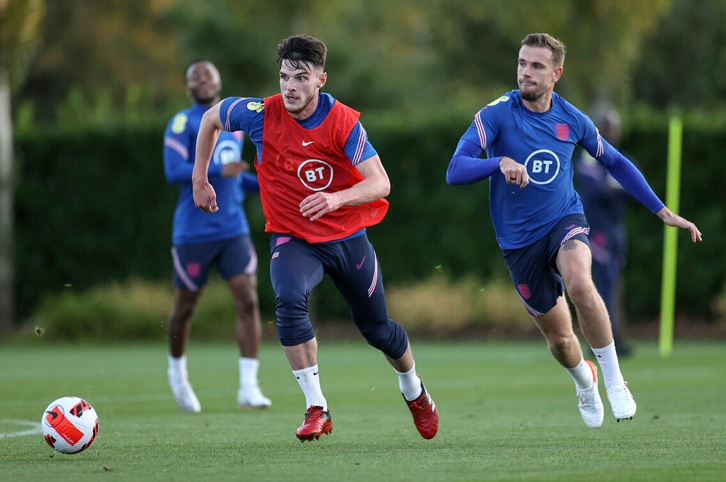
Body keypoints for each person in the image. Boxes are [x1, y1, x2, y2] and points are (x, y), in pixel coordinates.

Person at [446, 33, 702, 429]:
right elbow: (455, 169)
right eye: (521, 63)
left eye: (537, 66)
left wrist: (661, 209)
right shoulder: (496, 114)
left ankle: (616, 381)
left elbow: (615, 162)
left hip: (564, 220)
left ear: (556, 74)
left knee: (582, 284)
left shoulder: (573, 119)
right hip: (518, 243)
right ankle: (585, 379)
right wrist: (497, 164)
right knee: (562, 342)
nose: (525, 73)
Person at [191, 35, 438, 442]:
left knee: (378, 330)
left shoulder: (342, 122)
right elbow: (211, 119)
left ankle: (414, 391)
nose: (289, 86)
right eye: (285, 76)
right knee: (288, 299)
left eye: (300, 78)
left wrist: (336, 197)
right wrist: (200, 177)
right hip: (292, 236)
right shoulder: (260, 113)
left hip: (346, 237)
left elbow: (381, 182)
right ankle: (317, 406)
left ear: (321, 79)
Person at [163, 59, 270, 413]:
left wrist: (271, 185)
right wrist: (215, 169)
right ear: (188, 86)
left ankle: (249, 386)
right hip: (194, 231)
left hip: (232, 227)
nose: (204, 80)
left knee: (248, 299)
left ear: (220, 80)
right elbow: (173, 168)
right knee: (186, 306)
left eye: (209, 74)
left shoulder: (234, 123)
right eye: (196, 76)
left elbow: (236, 177)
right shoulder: (183, 121)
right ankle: (178, 375)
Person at [575, 107, 633, 356]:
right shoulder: (589, 158)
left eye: (614, 127)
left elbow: (631, 188)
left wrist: (615, 188)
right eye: (607, 127)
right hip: (595, 230)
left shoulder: (617, 157)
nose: (612, 132)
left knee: (612, 284)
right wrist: (615, 188)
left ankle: (612, 338)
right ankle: (603, 342)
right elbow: (596, 190)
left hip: (615, 230)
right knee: (601, 285)